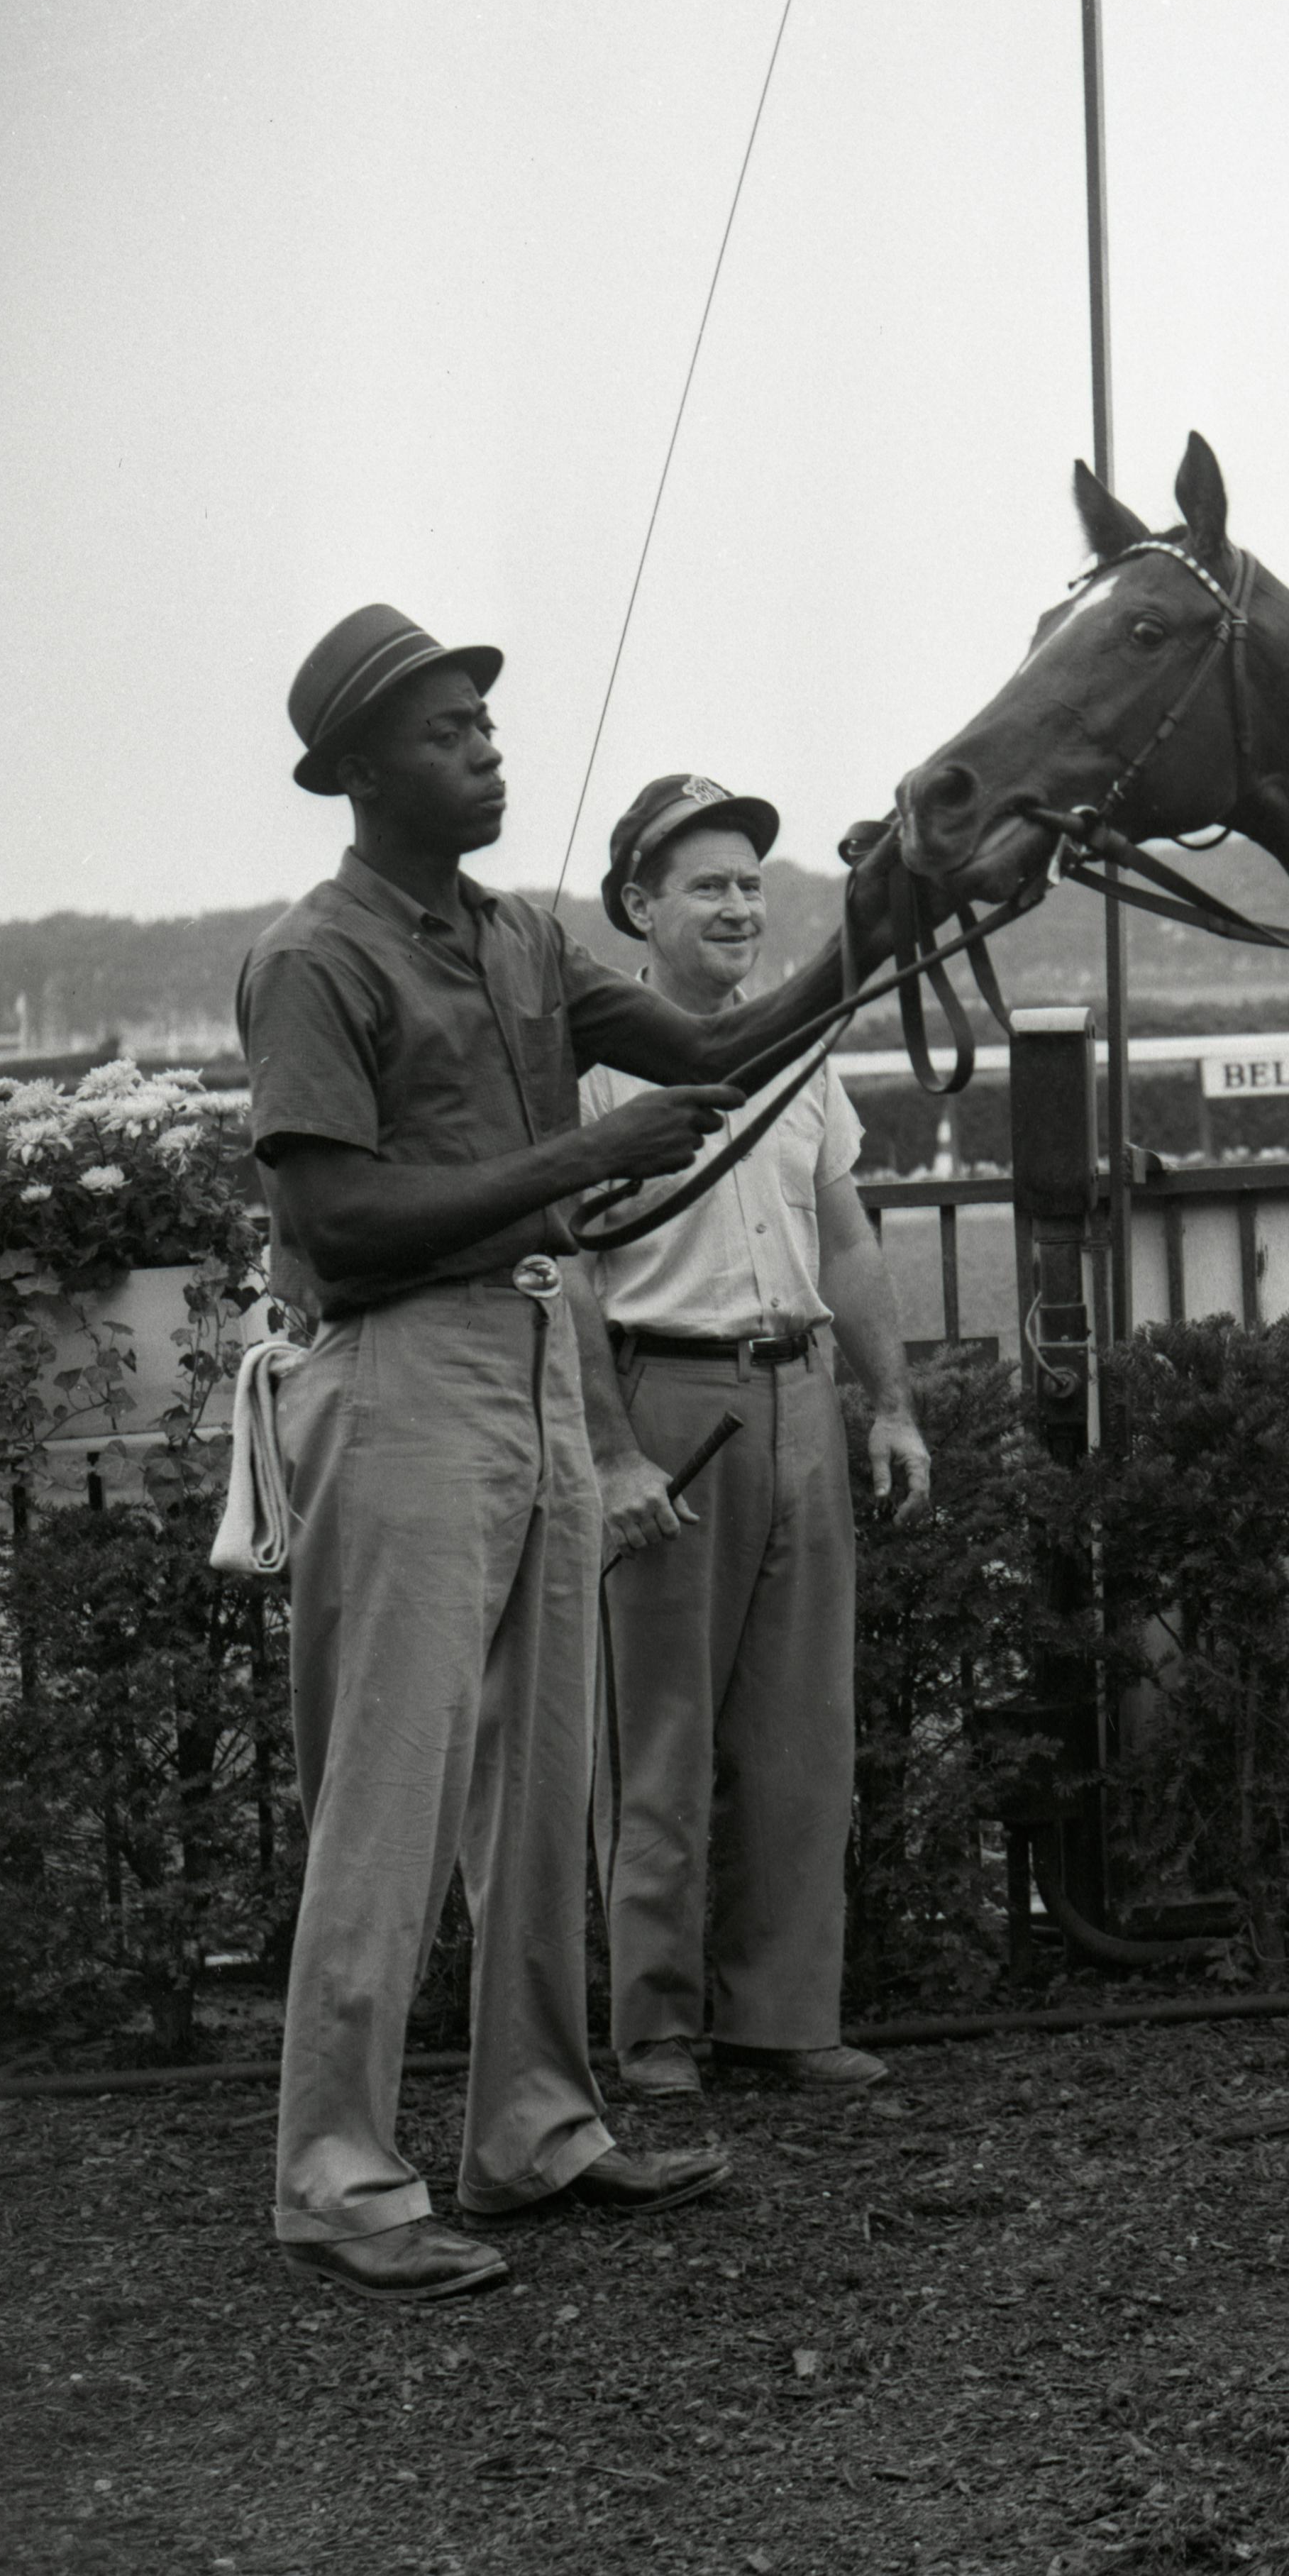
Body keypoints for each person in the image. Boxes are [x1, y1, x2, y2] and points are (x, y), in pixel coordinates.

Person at [239, 604, 897, 2304]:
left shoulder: (520, 939)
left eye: (485, 721)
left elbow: (710, 1047)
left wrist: (889, 918)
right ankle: (336, 2170)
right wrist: (572, 1157)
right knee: (390, 1796)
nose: (487, 745)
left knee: (545, 1786)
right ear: (361, 769)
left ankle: (532, 2123)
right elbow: (334, 1213)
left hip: (530, 1356)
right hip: (396, 1375)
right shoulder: (318, 957)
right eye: (450, 728)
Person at [578, 774, 930, 2101]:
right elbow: (564, 1271)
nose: (737, 906)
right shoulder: (588, 1063)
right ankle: (657, 2032)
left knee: (801, 1732)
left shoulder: (798, 1047)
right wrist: (611, 1450)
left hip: (799, 1401)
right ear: (638, 906)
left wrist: (888, 1402)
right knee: (658, 1738)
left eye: (748, 885)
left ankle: (784, 2018)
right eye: (706, 885)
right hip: (666, 1400)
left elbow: (844, 1232)